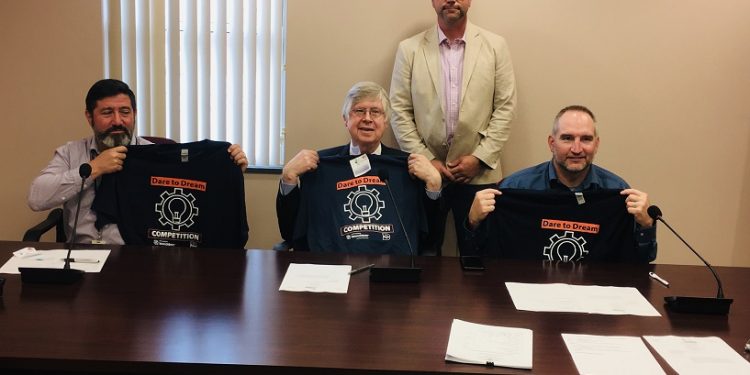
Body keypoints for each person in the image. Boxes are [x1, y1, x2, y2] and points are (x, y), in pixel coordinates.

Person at [28, 79, 248, 244]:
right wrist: (93, 169)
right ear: (89, 116)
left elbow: (195, 197)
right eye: (107, 112)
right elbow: (36, 198)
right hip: (82, 258)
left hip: (136, 259)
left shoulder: (156, 156)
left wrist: (229, 164)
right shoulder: (71, 153)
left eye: (124, 112)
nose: (117, 121)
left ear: (134, 113)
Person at [389, 0, 516, 255]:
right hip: (426, 174)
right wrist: (426, 160)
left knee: (480, 252)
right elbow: (399, 110)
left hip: (480, 173)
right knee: (424, 250)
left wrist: (480, 158)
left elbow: (506, 107)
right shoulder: (410, 49)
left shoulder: (495, 46)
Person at [466, 105, 657, 262]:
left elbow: (641, 261)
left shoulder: (618, 191)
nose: (576, 148)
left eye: (586, 139)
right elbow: (480, 256)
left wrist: (646, 226)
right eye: (567, 138)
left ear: (596, 144)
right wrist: (473, 223)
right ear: (551, 143)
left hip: (593, 299)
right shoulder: (514, 187)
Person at [276, 81, 442, 254]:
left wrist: (434, 186)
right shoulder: (319, 165)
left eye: (376, 112)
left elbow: (431, 237)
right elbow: (291, 232)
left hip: (391, 268)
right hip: (333, 268)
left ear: (386, 122)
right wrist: (288, 178)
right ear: (345, 119)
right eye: (359, 111)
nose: (367, 118)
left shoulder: (409, 167)